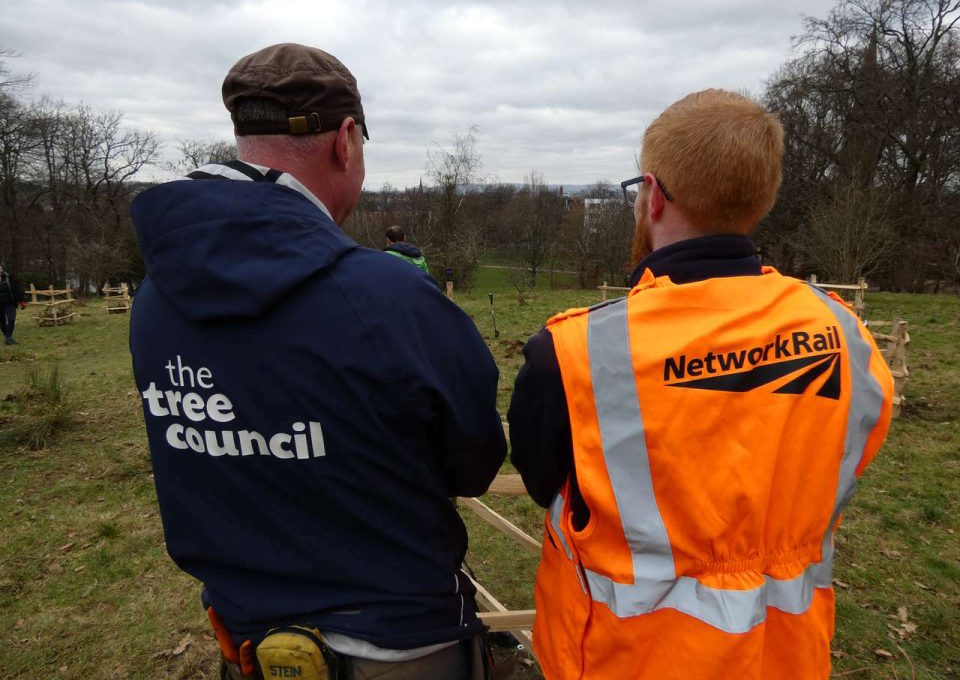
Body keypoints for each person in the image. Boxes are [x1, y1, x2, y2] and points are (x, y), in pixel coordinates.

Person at [129, 43, 506, 680]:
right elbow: (473, 461)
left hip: (248, 642)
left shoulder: (158, 297)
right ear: (346, 140)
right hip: (400, 647)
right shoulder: (391, 297)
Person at [507, 89, 893, 680]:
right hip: (787, 659)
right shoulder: (845, 334)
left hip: (624, 663)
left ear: (652, 196)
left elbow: (544, 485)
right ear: (759, 201)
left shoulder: (572, 354)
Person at [0, 264, 27, 345]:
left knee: (11, 319)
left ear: (2, 269)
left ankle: (8, 337)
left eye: (0, 269)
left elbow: (17, 289)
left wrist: (22, 300)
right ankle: (7, 337)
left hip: (10, 303)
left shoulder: (9, 278)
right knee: (2, 322)